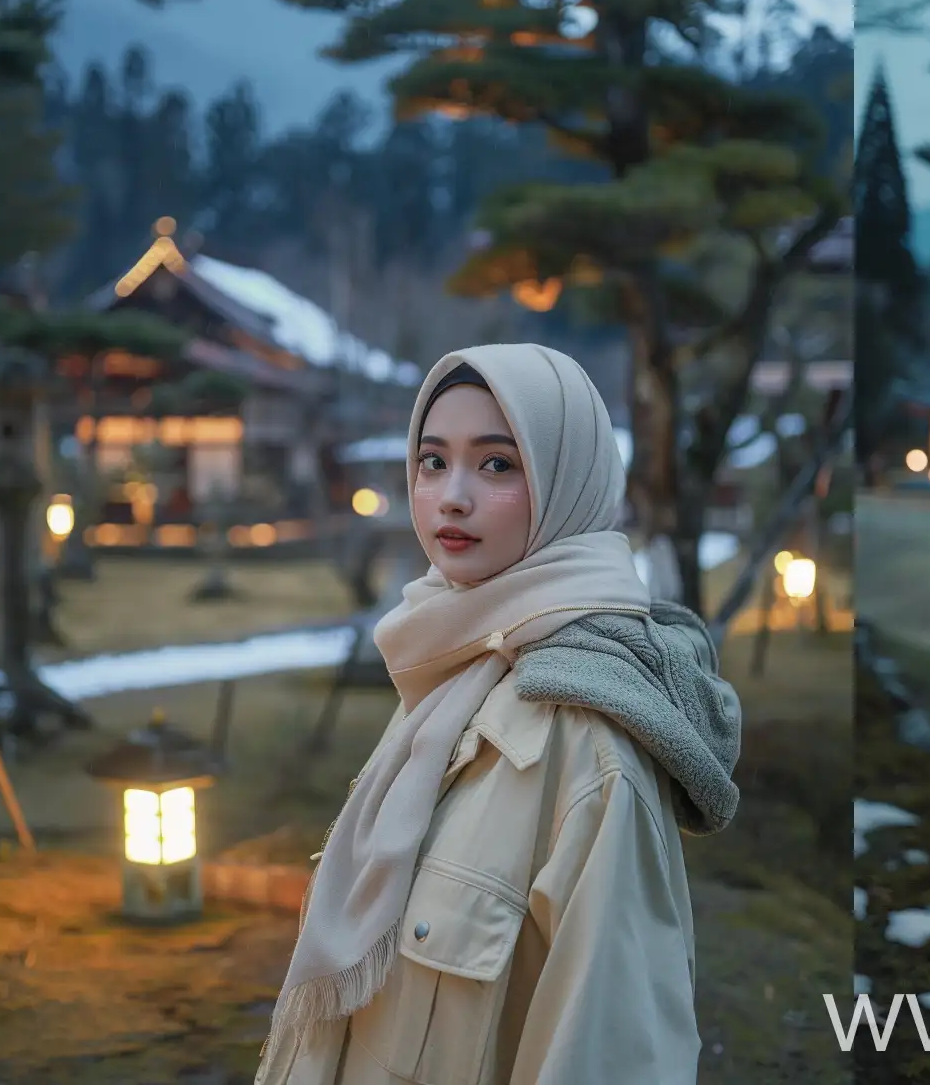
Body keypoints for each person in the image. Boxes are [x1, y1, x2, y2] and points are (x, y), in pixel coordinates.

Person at [255, 344, 740, 1085]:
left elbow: (611, 1051)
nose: (451, 496)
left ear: (568, 481)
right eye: (431, 461)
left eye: (497, 464)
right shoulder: (456, 665)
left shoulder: (586, 739)